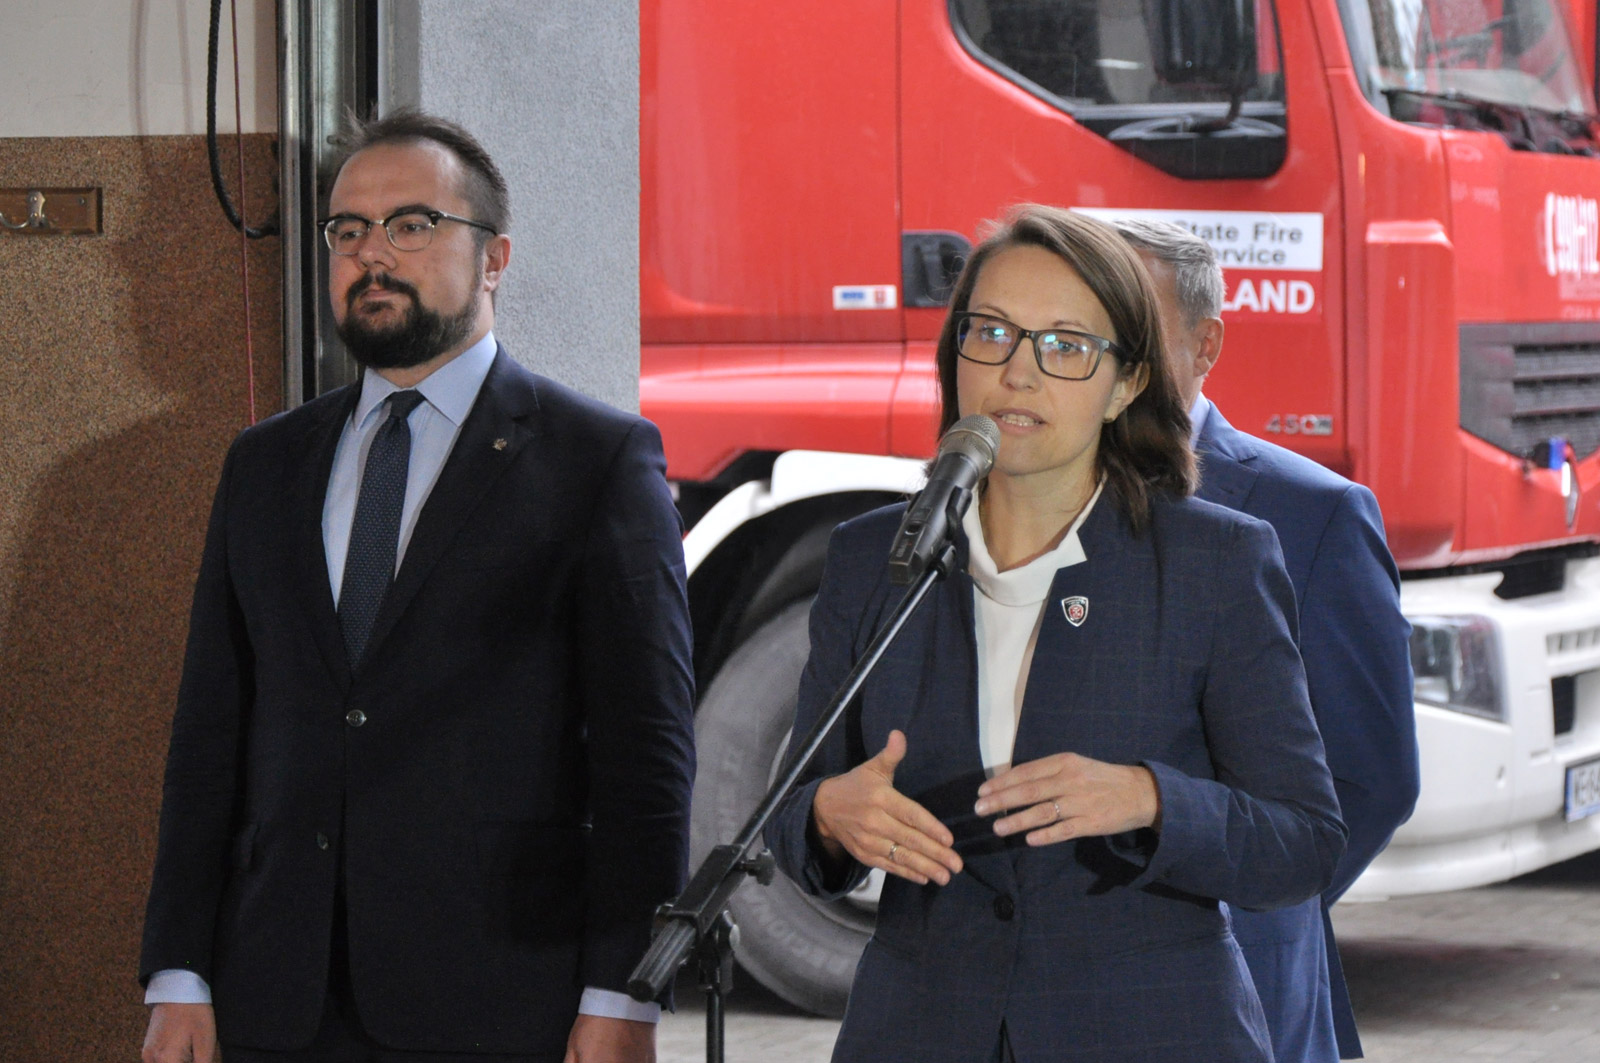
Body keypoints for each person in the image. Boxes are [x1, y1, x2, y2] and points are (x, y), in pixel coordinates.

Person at [138, 111, 695, 1063]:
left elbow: (645, 758)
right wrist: (178, 970)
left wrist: (625, 992)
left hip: (501, 999)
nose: (372, 254)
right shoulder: (265, 464)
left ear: (494, 258)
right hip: (276, 996)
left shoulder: (596, 462)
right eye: (348, 230)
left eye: (411, 225)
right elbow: (208, 735)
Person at [766, 204, 1346, 1063]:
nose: (1017, 372)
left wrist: (1151, 799)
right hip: (920, 1032)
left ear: (1126, 384)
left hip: (1152, 1035)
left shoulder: (1215, 562)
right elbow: (791, 809)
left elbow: (1304, 841)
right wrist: (825, 813)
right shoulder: (873, 558)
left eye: (1065, 346)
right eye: (991, 332)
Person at [1113, 217, 1418, 1062]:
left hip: (1248, 982)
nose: (1111, 354)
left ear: (1205, 343)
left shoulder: (1313, 513)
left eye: (1136, 326)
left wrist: (1253, 899)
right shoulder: (1026, 504)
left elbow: (1372, 776)